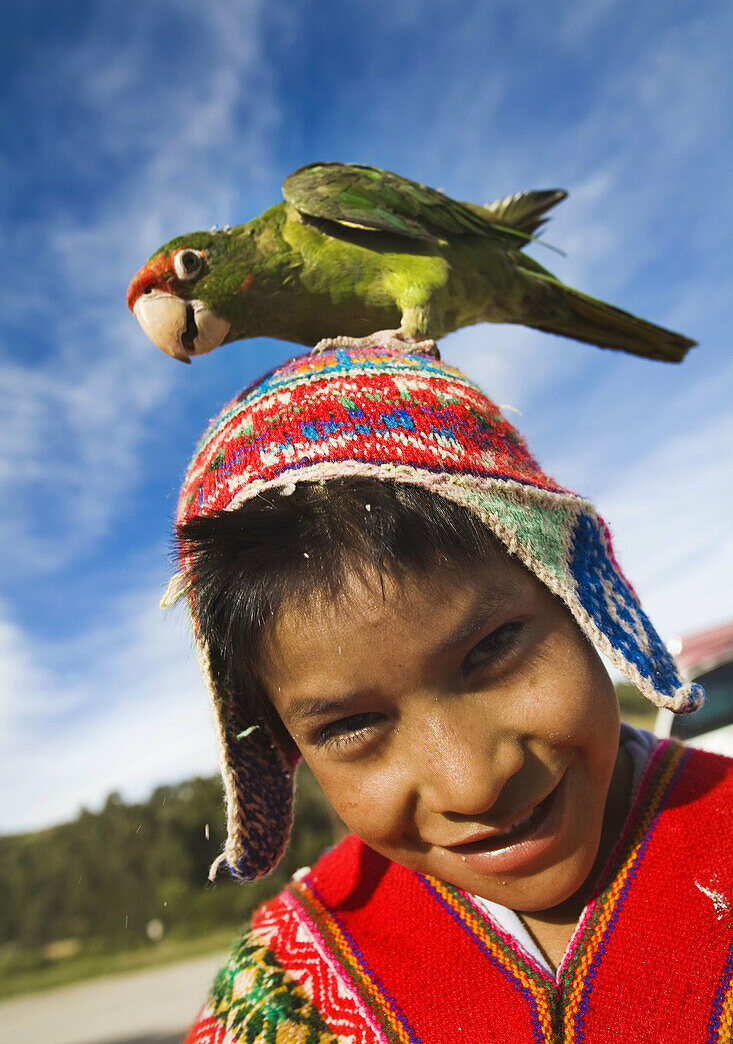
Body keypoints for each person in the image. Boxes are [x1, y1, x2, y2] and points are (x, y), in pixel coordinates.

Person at [171, 346, 732, 1043]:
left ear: (577, 591)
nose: (469, 784)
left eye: (491, 649)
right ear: (281, 744)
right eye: (350, 726)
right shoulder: (288, 989)